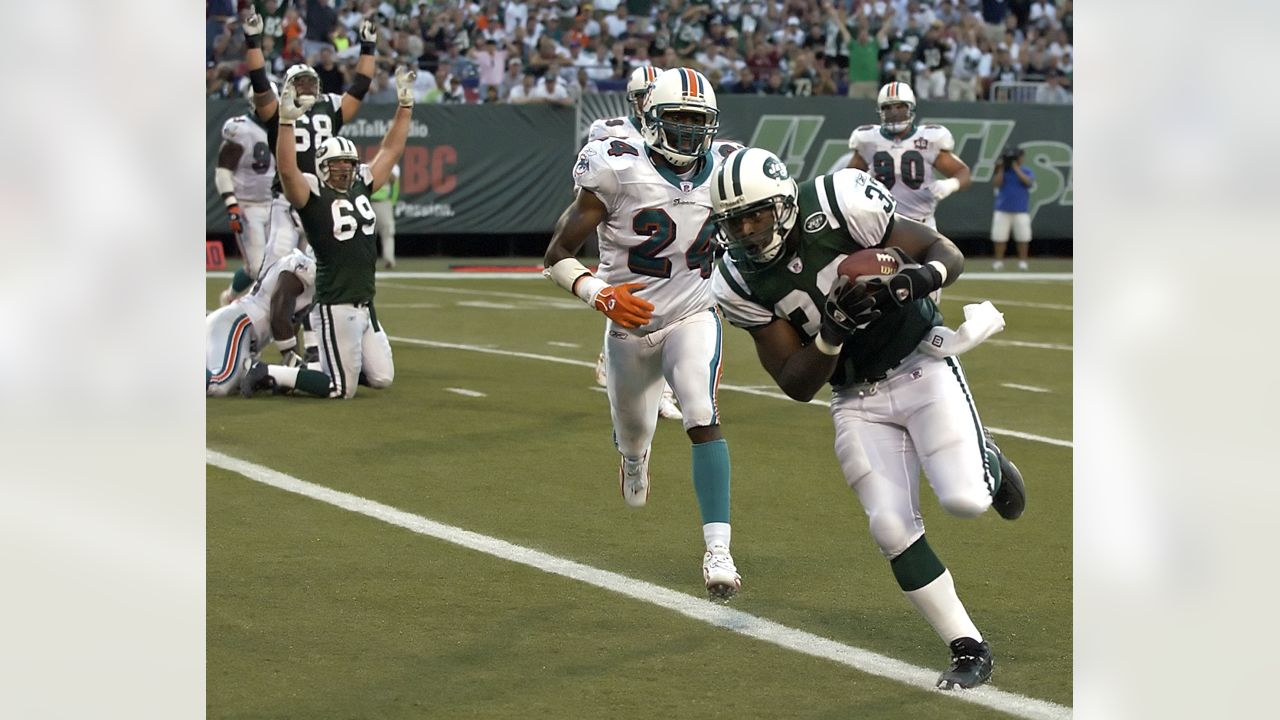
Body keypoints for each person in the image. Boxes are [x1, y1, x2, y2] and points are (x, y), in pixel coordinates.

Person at [708, 147, 1027, 690]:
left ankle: (987, 460)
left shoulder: (838, 201)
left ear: (784, 203)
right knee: (889, 526)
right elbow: (795, 382)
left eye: (756, 216)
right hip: (855, 398)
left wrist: (913, 281)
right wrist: (831, 333)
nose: (746, 231)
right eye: (733, 222)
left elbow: (942, 251)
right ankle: (967, 645)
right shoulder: (737, 281)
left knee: (966, 499)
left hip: (920, 363)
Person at [543, 68, 741, 600]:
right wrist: (600, 294)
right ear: (650, 120)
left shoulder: (728, 167)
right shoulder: (615, 166)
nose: (685, 132)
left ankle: (718, 549)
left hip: (692, 314)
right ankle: (633, 459)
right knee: (634, 434)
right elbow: (556, 257)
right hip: (627, 324)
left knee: (701, 411)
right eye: (674, 119)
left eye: (695, 122)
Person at [242, 68, 415, 399]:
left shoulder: (362, 184)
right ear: (321, 164)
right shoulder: (311, 194)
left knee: (381, 378)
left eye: (348, 162)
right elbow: (288, 168)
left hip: (366, 303)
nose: (343, 168)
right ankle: (272, 372)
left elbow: (391, 150)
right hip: (335, 303)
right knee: (340, 389)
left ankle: (332, 365)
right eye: (336, 163)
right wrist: (287, 123)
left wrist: (405, 105)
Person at [241, 12, 378, 360]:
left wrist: (368, 46)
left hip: (323, 203)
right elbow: (259, 81)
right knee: (273, 271)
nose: (304, 87)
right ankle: (255, 340)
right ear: (287, 88)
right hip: (290, 200)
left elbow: (360, 85)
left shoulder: (329, 107)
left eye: (308, 81)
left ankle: (317, 345)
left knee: (319, 276)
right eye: (297, 82)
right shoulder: (279, 109)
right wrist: (253, 42)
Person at [580, 65, 682, 421]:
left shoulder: (677, 128)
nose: (648, 103)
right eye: (642, 97)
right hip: (625, 222)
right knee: (625, 292)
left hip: (667, 222)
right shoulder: (610, 131)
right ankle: (615, 353)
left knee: (673, 297)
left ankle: (666, 390)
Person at [846, 82, 971, 230]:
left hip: (921, 223)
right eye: (888, 107)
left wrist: (949, 185)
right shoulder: (868, 140)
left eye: (900, 106)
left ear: (910, 108)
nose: (894, 112)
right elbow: (848, 180)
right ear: (880, 111)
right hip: (882, 225)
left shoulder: (929, 138)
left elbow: (963, 173)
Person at [206, 248, 327, 398]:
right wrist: (291, 360)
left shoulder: (317, 281)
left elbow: (290, 323)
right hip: (238, 323)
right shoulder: (306, 266)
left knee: (244, 375)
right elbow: (279, 314)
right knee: (219, 385)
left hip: (244, 334)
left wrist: (291, 367)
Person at [215, 86, 277, 306]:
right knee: (256, 266)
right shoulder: (241, 129)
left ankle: (252, 304)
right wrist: (231, 204)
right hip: (247, 205)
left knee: (278, 263)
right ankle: (233, 298)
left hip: (275, 204)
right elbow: (223, 171)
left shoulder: (283, 127)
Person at [990, 145, 1035, 271]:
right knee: (999, 237)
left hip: (1021, 210)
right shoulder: (1003, 171)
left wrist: (1016, 168)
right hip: (1002, 209)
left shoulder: (1026, 171)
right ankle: (998, 261)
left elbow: (1028, 182)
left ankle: (1023, 262)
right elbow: (997, 184)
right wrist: (1001, 168)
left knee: (1023, 237)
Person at [370, 162, 401, 270]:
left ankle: (389, 260)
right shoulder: (371, 165)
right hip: (369, 202)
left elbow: (395, 184)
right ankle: (366, 260)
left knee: (387, 232)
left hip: (383, 202)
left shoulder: (393, 167)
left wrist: (391, 202)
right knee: (366, 234)